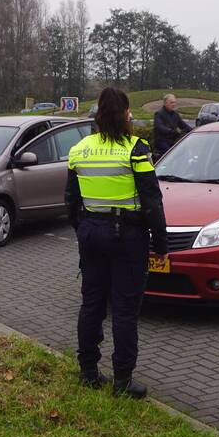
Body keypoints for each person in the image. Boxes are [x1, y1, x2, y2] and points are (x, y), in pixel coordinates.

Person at [65, 87, 168, 399]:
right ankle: (122, 379)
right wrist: (160, 244)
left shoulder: (79, 149)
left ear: (98, 115)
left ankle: (88, 372)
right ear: (125, 115)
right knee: (124, 310)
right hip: (127, 236)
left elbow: (71, 199)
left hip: (91, 232)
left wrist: (83, 228)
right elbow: (152, 200)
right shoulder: (135, 149)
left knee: (92, 304)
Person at [152, 93, 191, 158]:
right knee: (171, 155)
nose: (174, 104)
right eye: (171, 103)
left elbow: (183, 125)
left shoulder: (175, 114)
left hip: (173, 140)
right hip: (162, 141)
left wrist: (194, 131)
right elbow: (159, 127)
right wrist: (171, 131)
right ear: (165, 103)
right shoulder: (159, 114)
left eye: (174, 102)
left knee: (184, 151)